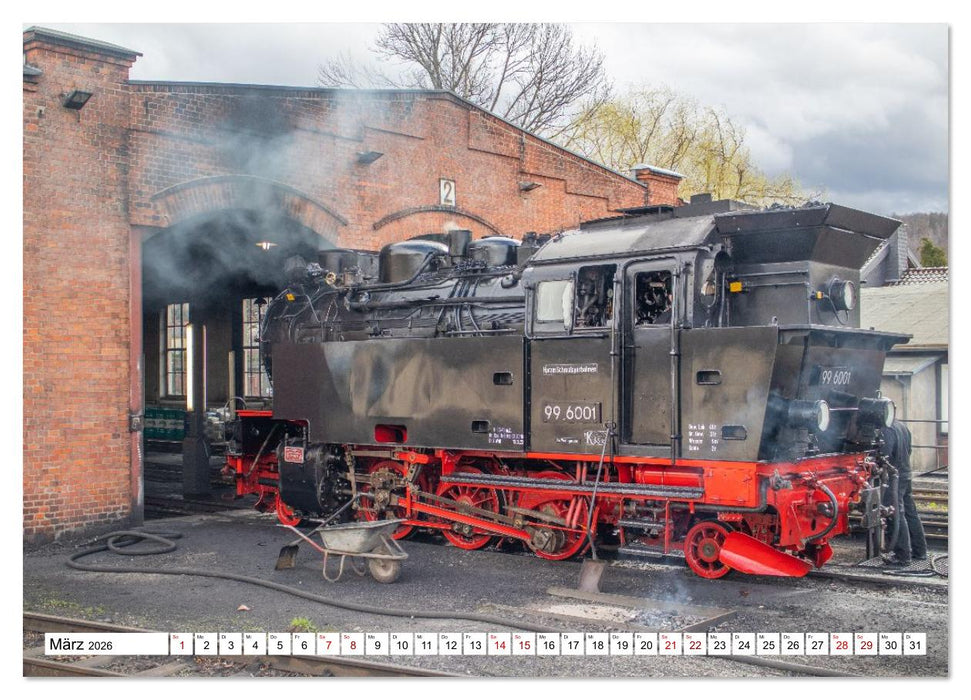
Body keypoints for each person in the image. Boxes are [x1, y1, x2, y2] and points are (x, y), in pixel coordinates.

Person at [879, 420, 928, 567]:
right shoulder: (902, 426)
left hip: (894, 477)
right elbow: (909, 450)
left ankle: (902, 556)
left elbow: (885, 455)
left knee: (895, 513)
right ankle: (920, 551)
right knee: (910, 512)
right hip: (905, 472)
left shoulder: (885, 429)